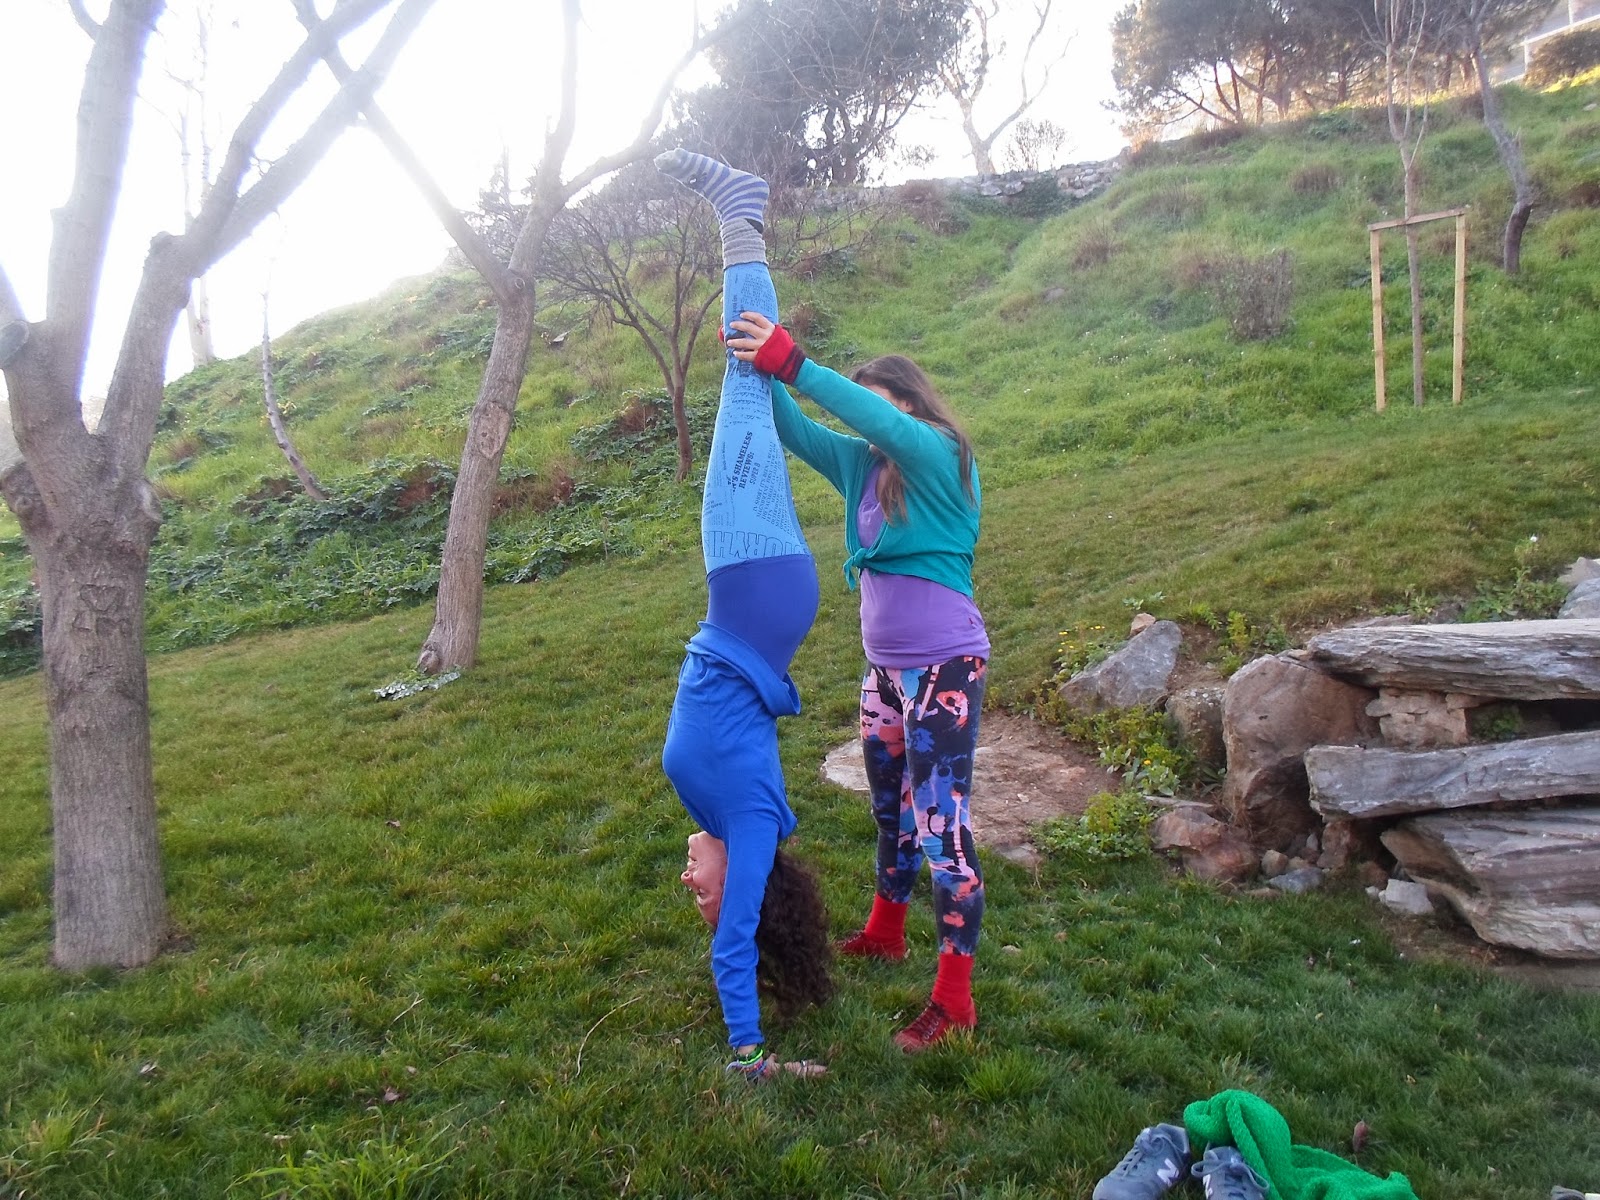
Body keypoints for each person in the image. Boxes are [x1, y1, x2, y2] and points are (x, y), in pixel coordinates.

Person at [726, 311, 989, 1054]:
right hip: (885, 670)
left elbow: (874, 419)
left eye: (880, 404)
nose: (869, 420)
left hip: (943, 669)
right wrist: (751, 363)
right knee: (890, 810)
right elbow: (796, 428)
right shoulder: (862, 466)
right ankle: (886, 931)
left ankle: (954, 1001)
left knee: (943, 833)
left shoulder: (940, 453)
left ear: (908, 403)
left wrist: (795, 362)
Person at [654, 148, 833, 1081]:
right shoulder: (753, 826)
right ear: (746, 892)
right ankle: (740, 212)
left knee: (748, 386)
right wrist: (750, 1052)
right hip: (754, 584)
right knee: (745, 380)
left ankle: (741, 214)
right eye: (707, 893)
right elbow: (735, 939)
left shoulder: (717, 811)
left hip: (752, 594)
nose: (691, 882)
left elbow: (729, 920)